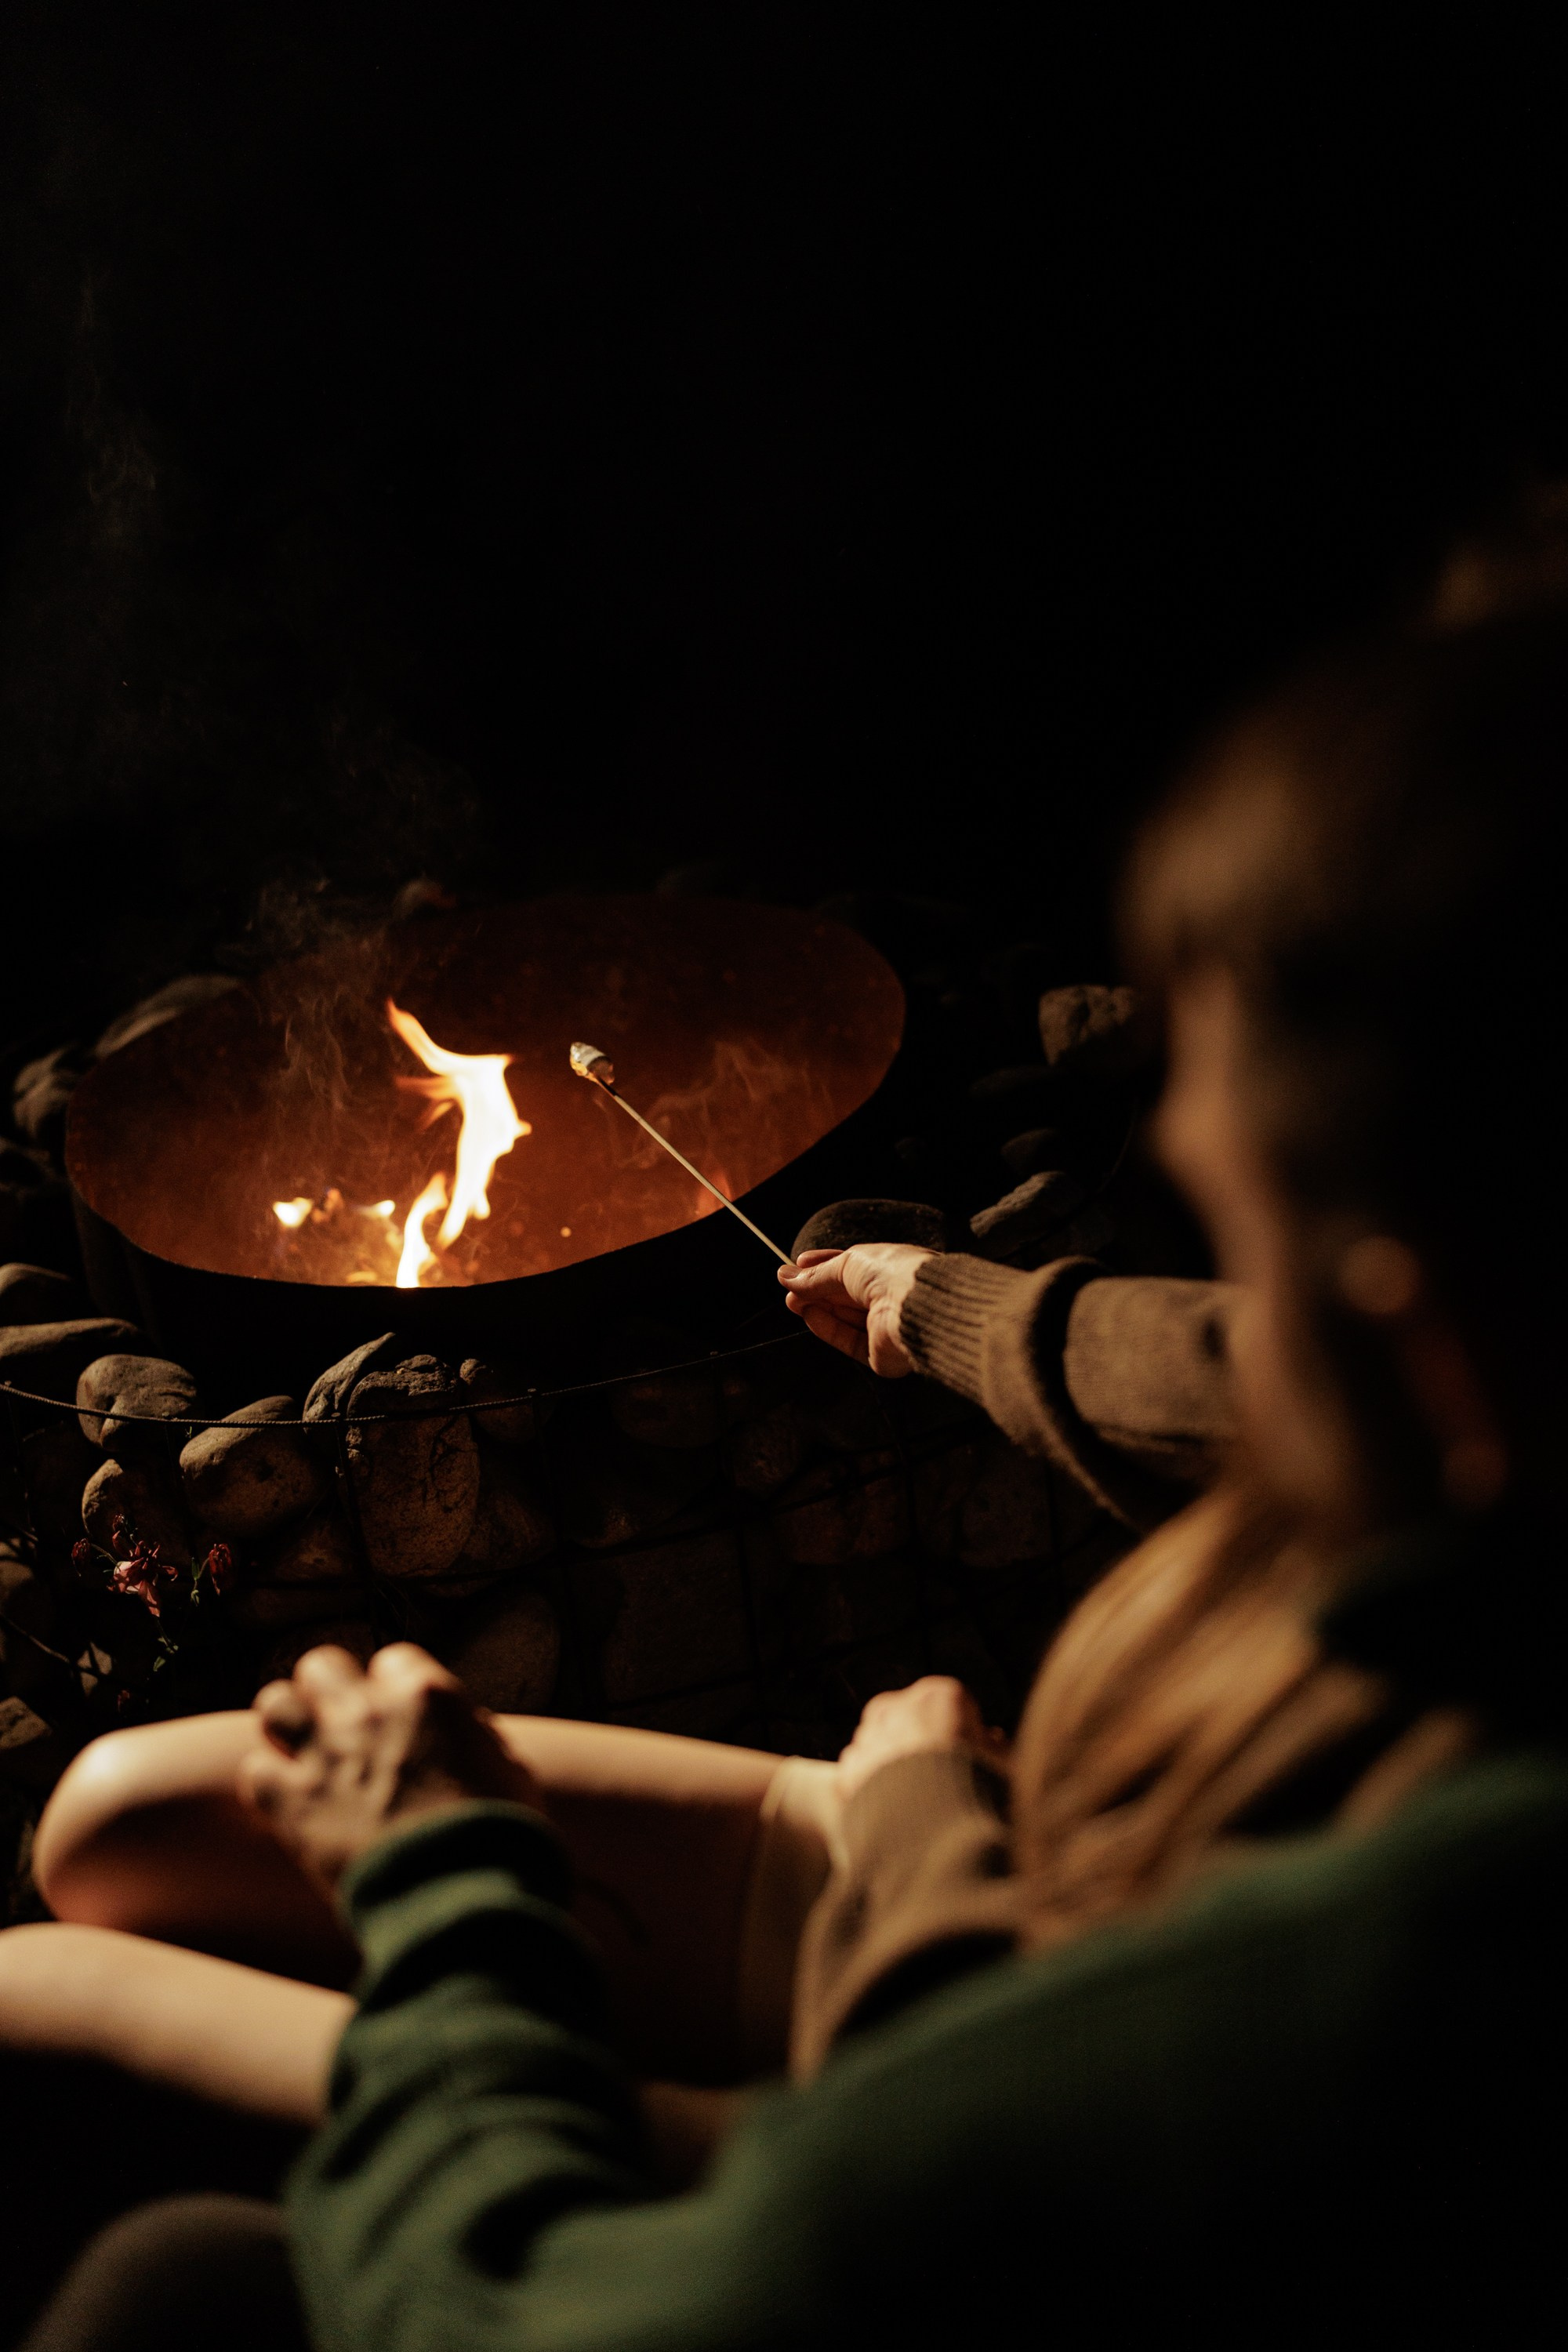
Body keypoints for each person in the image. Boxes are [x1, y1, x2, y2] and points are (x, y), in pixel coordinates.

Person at [16, 524, 1568, 2343]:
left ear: (1430, 1344)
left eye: (1239, 1221)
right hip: (1025, 1871)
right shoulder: (1483, 1464)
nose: (1229, 1294)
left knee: (88, 2131)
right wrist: (947, 1308)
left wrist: (442, 1869)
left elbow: (531, 2314)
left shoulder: (1356, 2009)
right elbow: (1225, 1372)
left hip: (967, 1981)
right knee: (121, 1818)